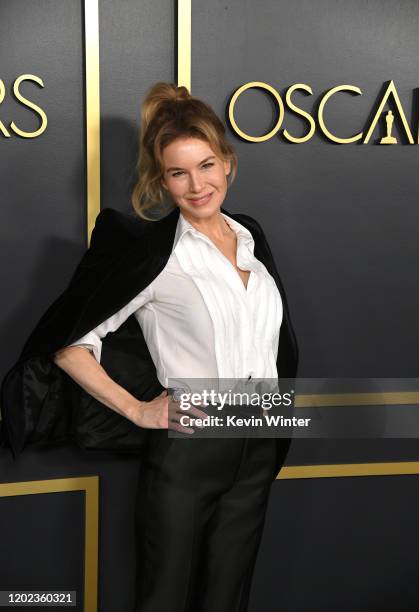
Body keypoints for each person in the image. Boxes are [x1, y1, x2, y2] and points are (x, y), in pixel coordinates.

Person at [0, 82, 298, 611]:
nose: (197, 184)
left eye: (206, 165)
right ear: (162, 180)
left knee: (228, 599)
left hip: (259, 437)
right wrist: (138, 409)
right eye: (178, 172)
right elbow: (67, 344)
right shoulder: (153, 253)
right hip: (190, 446)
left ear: (227, 163)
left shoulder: (250, 236)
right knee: (163, 599)